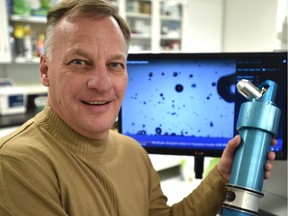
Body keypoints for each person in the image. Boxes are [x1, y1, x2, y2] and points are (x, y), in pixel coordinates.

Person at [0, 0, 276, 215]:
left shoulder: (131, 151)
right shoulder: (17, 164)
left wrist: (222, 176)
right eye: (79, 62)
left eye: (115, 64)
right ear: (46, 70)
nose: (101, 83)